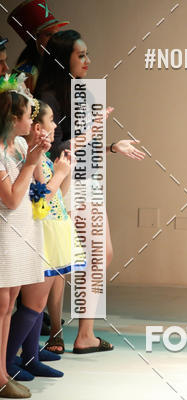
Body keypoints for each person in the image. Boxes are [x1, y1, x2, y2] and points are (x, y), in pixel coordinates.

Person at [35, 29, 144, 354]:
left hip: (82, 180)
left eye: (87, 55)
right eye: (80, 55)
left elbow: (77, 146)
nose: (88, 61)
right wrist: (92, 134)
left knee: (94, 254)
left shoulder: (76, 92)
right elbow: (54, 149)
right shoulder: (50, 97)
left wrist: (110, 146)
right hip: (62, 183)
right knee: (62, 258)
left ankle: (82, 334)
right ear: (63, 58)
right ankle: (60, 331)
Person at [6, 98, 72, 383]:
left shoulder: (35, 153)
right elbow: (40, 198)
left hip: (49, 228)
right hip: (37, 230)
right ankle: (8, 360)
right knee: (32, 303)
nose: (55, 126)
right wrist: (59, 174)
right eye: (50, 120)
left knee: (37, 303)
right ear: (34, 126)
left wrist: (63, 172)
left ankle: (29, 356)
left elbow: (56, 196)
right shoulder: (26, 152)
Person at [0, 74, 51, 398]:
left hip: (22, 232)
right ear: (12, 118)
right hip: (4, 235)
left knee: (9, 304)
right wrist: (31, 161)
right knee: (2, 304)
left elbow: (38, 184)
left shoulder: (19, 145)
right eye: (27, 115)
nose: (32, 121)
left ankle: (3, 371)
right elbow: (12, 198)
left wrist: (36, 152)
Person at [8, 0, 69, 92]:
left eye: (57, 34)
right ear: (35, 39)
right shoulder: (24, 72)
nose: (55, 39)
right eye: (49, 34)